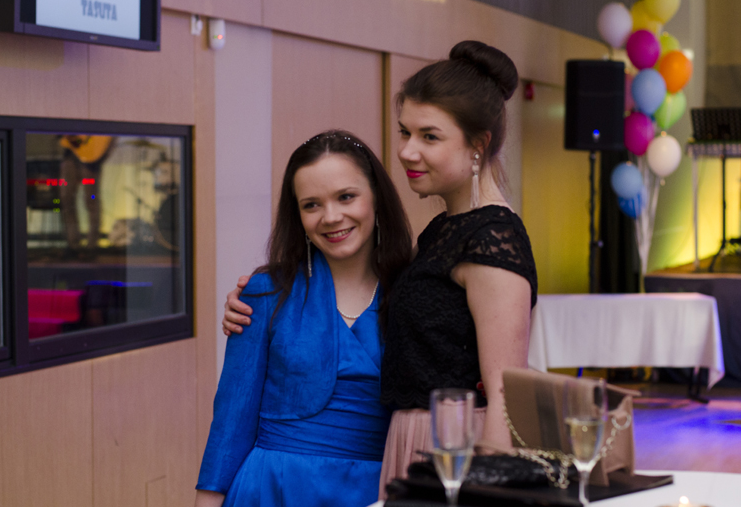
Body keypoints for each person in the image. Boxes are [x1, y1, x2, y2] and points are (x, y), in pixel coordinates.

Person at [222, 40, 537, 498]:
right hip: (410, 446)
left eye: (429, 136)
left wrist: (482, 490)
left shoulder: (491, 237)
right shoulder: (441, 233)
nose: (407, 151)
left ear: (478, 144)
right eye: (405, 132)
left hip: (454, 451)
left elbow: (505, 397)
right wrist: (255, 299)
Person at [196, 130, 411, 507]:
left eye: (346, 197)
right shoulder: (266, 291)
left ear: (376, 197)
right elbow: (231, 419)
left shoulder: (414, 293)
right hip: (272, 489)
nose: (331, 217)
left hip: (375, 492)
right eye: (311, 205)